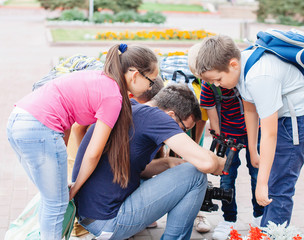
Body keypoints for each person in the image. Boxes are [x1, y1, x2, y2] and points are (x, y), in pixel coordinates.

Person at [6, 43, 159, 239]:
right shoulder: (113, 96)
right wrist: (75, 187)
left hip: (18, 122)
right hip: (39, 129)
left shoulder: (96, 77)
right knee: (57, 203)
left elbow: (66, 119)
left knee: (51, 198)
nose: (151, 87)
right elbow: (94, 153)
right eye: (151, 81)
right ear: (135, 74)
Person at [195, 35, 304, 228]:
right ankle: (266, 230)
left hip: (299, 119)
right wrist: (253, 150)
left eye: (218, 79)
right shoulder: (242, 67)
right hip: (284, 116)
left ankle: (272, 233)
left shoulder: (259, 77)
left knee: (279, 185)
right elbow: (250, 109)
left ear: (233, 64)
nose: (218, 85)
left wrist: (261, 183)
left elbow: (269, 133)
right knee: (274, 180)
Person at [72, 84, 226, 240]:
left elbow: (138, 169)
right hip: (109, 222)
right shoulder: (156, 117)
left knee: (186, 171)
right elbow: (207, 164)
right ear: (171, 115)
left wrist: (167, 163)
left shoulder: (131, 107)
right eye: (183, 128)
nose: (182, 133)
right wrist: (220, 162)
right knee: (196, 175)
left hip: (89, 215)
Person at [188, 43, 264, 239]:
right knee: (227, 177)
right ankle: (229, 219)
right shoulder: (209, 85)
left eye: (214, 78)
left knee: (257, 173)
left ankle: (260, 216)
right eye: (206, 79)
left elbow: (255, 108)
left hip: (255, 131)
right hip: (228, 135)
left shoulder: (242, 78)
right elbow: (213, 117)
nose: (212, 83)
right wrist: (221, 139)